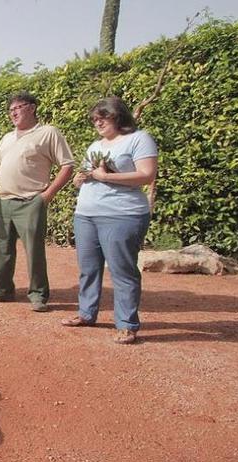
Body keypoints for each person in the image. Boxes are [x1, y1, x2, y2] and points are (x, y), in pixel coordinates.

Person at [62, 96, 158, 344]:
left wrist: (105, 177)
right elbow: (85, 173)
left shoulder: (139, 139)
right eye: (94, 119)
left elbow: (147, 175)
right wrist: (80, 179)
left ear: (116, 115)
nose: (97, 122)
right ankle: (86, 313)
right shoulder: (95, 145)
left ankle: (126, 324)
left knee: (122, 270)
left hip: (122, 215)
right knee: (88, 268)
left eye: (102, 117)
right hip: (86, 214)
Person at [0, 91, 75, 312]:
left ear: (32, 107)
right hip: (3, 202)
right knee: (2, 249)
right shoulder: (6, 138)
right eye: (11, 110)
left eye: (18, 107)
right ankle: (3, 290)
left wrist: (47, 195)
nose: (13, 112)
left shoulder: (47, 133)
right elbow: (0, 166)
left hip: (31, 202)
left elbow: (67, 165)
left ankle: (38, 294)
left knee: (34, 251)